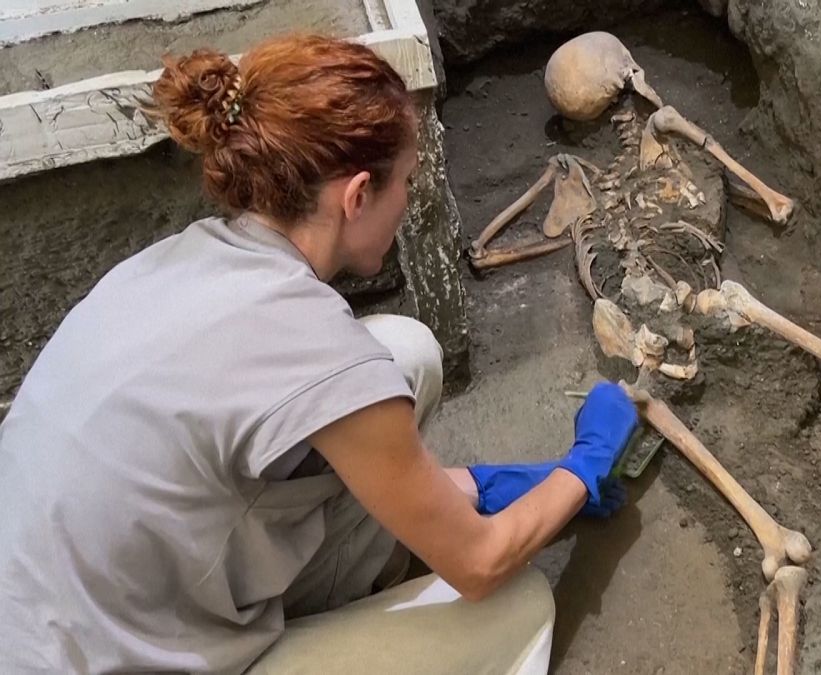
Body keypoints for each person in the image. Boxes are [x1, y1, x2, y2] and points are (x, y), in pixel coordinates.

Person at [0, 33, 638, 673]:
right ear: (357, 195)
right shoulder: (315, 346)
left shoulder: (172, 264)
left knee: (403, 355)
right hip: (104, 658)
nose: (408, 204)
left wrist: (477, 486)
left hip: (77, 600)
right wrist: (582, 468)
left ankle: (332, 604)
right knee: (515, 605)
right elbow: (479, 564)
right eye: (406, 185)